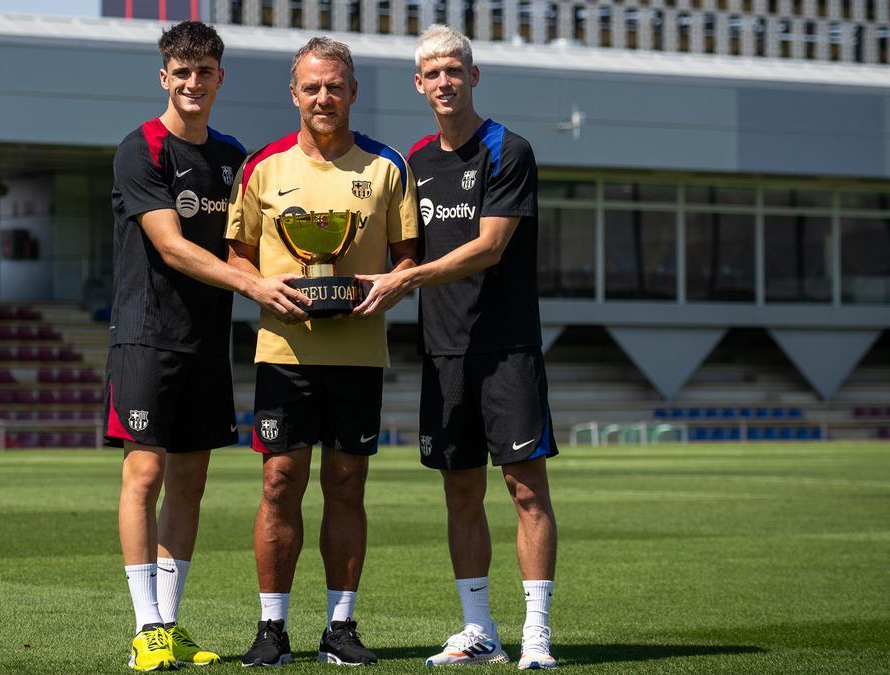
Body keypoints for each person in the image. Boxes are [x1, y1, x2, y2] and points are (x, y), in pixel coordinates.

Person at [352, 25, 559, 670]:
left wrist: (404, 279)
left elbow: (490, 246)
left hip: (506, 350)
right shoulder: (413, 162)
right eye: (432, 73)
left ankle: (536, 635)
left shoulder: (508, 149)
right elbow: (400, 247)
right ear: (419, 84)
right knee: (459, 492)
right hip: (442, 352)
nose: (444, 82)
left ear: (474, 76)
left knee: (526, 489)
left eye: (454, 70)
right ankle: (479, 631)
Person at [105, 20, 308, 672]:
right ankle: (145, 627)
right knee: (145, 474)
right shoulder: (142, 149)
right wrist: (255, 284)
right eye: (181, 73)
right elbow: (170, 245)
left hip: (206, 344)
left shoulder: (234, 158)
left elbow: (256, 242)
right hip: (146, 339)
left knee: (191, 482)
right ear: (165, 77)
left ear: (220, 77)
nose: (193, 83)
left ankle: (168, 623)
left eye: (204, 72)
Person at [225, 36, 419, 667]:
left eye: (335, 85)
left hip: (359, 355)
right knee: (280, 483)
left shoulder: (387, 166)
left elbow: (407, 258)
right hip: (283, 351)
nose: (323, 97)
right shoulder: (262, 167)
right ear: (294, 94)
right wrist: (262, 289)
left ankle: (340, 626)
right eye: (311, 87)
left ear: (353, 91)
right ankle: (271, 629)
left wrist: (387, 290)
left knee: (346, 485)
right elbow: (238, 256)